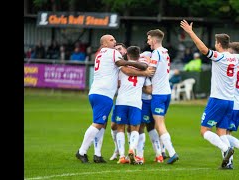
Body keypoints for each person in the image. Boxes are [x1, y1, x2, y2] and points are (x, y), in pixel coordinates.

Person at [180, 19, 239, 168]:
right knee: (222, 132)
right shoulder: (235, 58)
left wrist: (190, 32)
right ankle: (228, 164)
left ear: (219, 44)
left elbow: (203, 49)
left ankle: (226, 149)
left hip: (217, 100)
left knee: (204, 131)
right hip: (230, 102)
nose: (214, 44)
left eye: (215, 42)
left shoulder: (219, 57)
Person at [75, 34, 154, 163]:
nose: (115, 42)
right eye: (111, 40)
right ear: (104, 43)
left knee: (102, 123)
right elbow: (123, 66)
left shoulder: (100, 54)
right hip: (104, 93)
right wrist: (140, 66)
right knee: (99, 123)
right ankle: (82, 151)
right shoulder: (112, 52)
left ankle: (98, 154)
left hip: (95, 91)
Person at [112, 46, 149, 165]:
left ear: (127, 55)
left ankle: (122, 156)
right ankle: (132, 149)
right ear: (139, 56)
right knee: (135, 128)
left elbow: (117, 84)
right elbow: (148, 89)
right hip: (136, 102)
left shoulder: (122, 68)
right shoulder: (144, 71)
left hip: (121, 101)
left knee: (120, 128)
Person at [146, 29, 179, 164]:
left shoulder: (156, 53)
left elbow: (150, 72)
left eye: (148, 39)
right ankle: (163, 151)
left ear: (154, 40)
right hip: (167, 92)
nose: (148, 42)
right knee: (161, 123)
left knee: (159, 124)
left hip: (158, 94)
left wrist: (141, 66)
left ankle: (172, 153)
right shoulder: (165, 52)